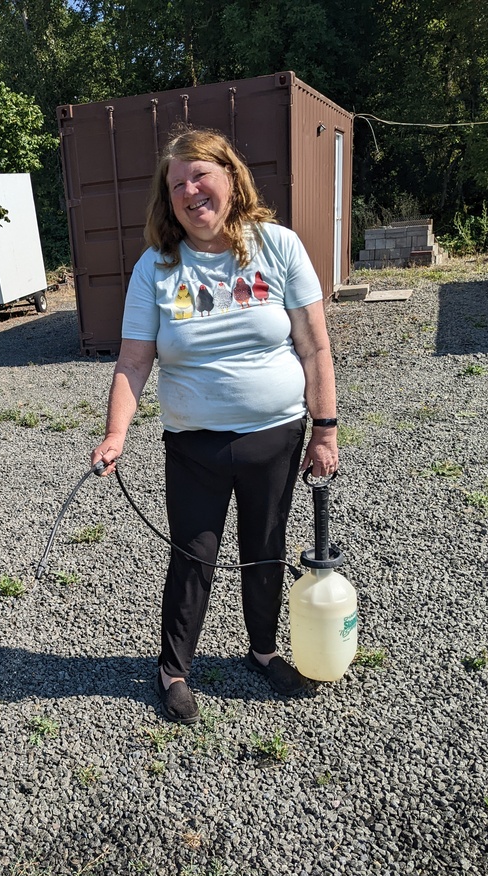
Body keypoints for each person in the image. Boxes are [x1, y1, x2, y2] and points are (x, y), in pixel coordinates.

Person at [91, 127, 339, 725]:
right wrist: (116, 432)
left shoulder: (278, 246)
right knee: (192, 555)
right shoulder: (156, 266)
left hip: (276, 437)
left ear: (230, 177)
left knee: (265, 551)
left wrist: (325, 430)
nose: (190, 190)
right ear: (167, 199)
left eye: (200, 175)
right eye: (177, 184)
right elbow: (133, 359)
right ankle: (173, 670)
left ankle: (262, 652)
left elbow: (314, 348)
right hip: (194, 444)